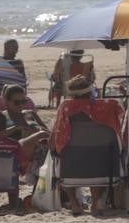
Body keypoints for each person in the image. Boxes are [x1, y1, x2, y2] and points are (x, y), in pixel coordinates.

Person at [51, 75, 123, 214]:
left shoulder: (66, 107)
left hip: (71, 164)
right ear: (90, 92)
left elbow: (58, 135)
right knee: (95, 157)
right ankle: (95, 203)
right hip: (101, 163)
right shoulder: (106, 107)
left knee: (64, 156)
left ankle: (74, 203)